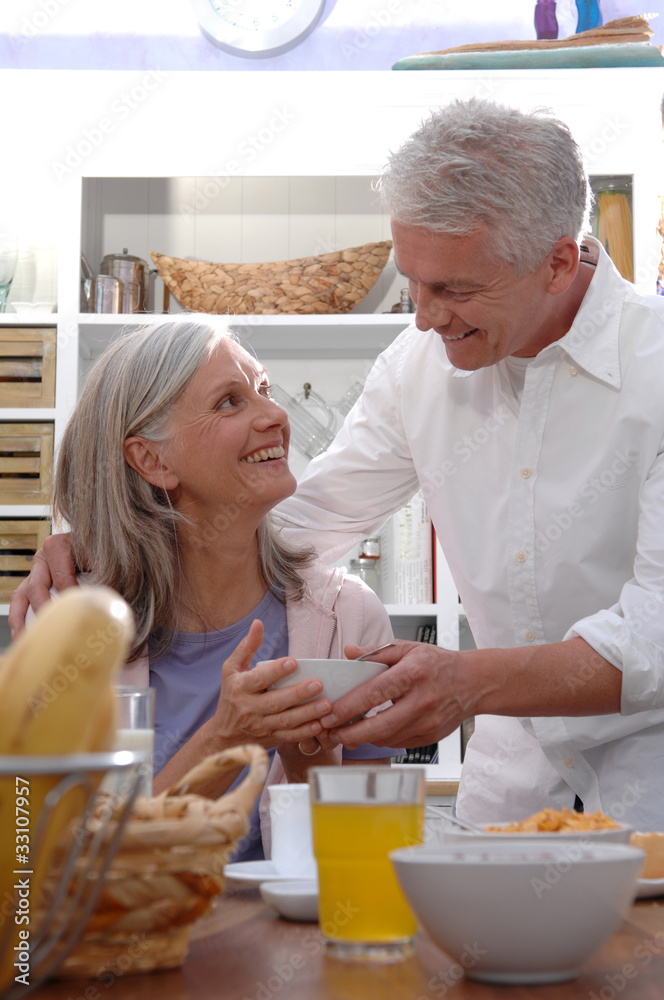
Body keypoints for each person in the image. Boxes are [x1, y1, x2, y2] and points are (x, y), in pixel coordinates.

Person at [12, 98, 664, 830]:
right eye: (413, 281)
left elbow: (656, 633)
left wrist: (467, 682)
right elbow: (304, 518)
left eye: (454, 289)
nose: (423, 317)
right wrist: (110, 544)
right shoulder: (420, 365)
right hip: (511, 805)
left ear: (557, 264)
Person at [40, 318, 395, 862]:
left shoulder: (348, 616)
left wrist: (307, 761)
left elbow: (365, 861)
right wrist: (225, 740)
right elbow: (58, 869)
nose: (275, 416)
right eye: (230, 402)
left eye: (264, 389)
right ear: (152, 460)